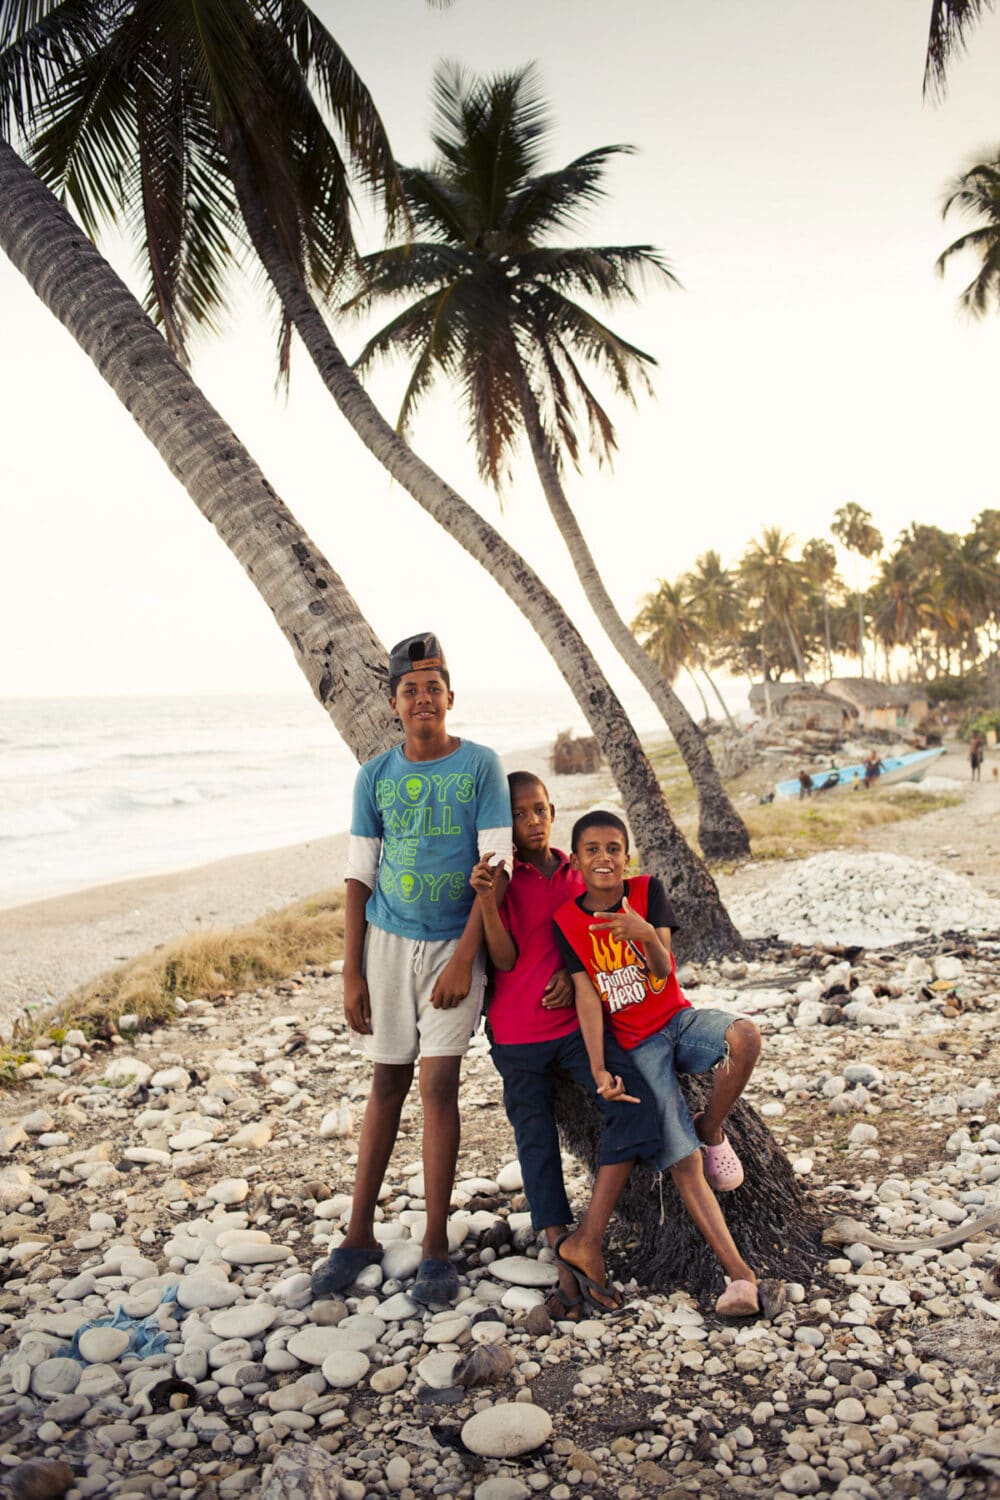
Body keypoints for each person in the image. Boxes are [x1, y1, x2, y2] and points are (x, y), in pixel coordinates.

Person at [310, 633, 512, 1307]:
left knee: (439, 1087)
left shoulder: (480, 767)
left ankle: (434, 1246)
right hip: (386, 946)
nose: (423, 698)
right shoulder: (375, 776)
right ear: (395, 703)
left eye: (434, 687)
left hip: (455, 945)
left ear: (450, 698)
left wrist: (464, 957)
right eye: (410, 689)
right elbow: (359, 873)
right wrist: (352, 972)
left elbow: (495, 868)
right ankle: (358, 1233)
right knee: (386, 1084)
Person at [553, 811, 763, 1317]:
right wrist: (601, 1068)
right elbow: (586, 998)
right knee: (683, 1160)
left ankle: (711, 1127)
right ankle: (741, 1277)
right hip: (638, 1045)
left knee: (746, 1036)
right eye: (592, 849)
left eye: (613, 848)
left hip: (678, 1022)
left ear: (627, 856)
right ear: (577, 860)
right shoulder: (567, 921)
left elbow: (664, 969)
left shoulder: (647, 891)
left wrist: (642, 931)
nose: (604, 858)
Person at [470, 773, 663, 1317]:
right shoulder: (502, 878)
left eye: (539, 810)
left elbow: (589, 933)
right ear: (503, 824)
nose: (531, 822)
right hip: (515, 1037)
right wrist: (487, 903)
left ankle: (590, 1237)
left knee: (634, 1105)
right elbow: (504, 959)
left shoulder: (577, 870)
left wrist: (569, 972)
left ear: (553, 812)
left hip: (575, 1032)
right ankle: (564, 1266)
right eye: (518, 814)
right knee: (537, 1148)